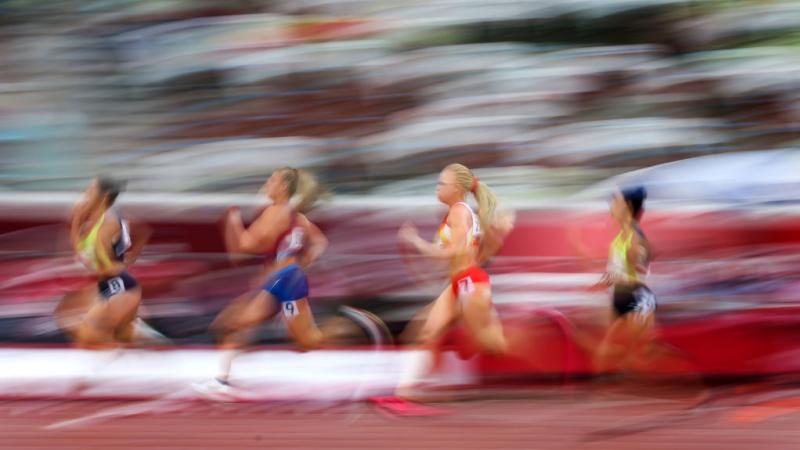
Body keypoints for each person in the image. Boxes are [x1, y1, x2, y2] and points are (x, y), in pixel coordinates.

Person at [374, 163, 514, 413]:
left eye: (442, 183)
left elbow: (453, 251)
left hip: (470, 283)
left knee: (493, 346)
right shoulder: (455, 213)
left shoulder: (460, 211)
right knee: (426, 331)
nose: (437, 187)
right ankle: (404, 392)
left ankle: (533, 341)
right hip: (458, 284)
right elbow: (454, 253)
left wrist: (416, 242)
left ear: (457, 188)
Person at [195, 167, 330, 397]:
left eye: (272, 180)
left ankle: (350, 328)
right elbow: (320, 243)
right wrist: (299, 263)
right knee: (235, 323)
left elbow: (244, 247)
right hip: (283, 280)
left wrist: (233, 220)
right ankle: (222, 380)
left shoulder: (275, 212)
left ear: (283, 187)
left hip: (284, 282)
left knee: (307, 341)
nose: (267, 184)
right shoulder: (298, 217)